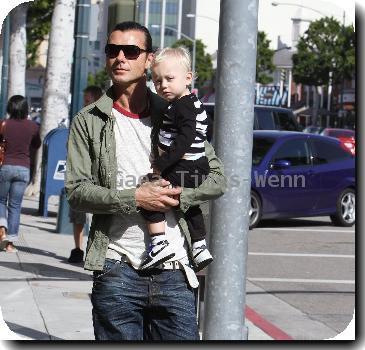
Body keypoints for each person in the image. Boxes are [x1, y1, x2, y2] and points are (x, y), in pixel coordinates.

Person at [66, 21, 226, 340]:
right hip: (116, 269)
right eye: (113, 50)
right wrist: (137, 198)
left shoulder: (176, 112)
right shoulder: (88, 121)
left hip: (175, 271)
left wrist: (175, 196)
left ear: (148, 59)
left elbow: (217, 180)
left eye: (131, 51)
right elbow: (77, 191)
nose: (120, 58)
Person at [139, 47, 214, 272]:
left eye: (170, 79)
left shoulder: (184, 106)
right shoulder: (186, 103)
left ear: (188, 78)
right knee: (188, 205)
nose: (163, 85)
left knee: (151, 196)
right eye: (157, 80)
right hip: (193, 167)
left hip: (185, 166)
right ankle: (200, 247)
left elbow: (185, 139)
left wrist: (161, 165)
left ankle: (159, 244)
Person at [0, 95, 41, 252]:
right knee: (15, 206)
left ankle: (2, 229)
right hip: (23, 168)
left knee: (1, 201)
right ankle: (10, 244)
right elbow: (36, 145)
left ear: (10, 108)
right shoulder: (32, 126)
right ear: (25, 108)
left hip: (5, 167)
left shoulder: (4, 124)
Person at [68, 85, 103, 263]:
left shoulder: (103, 120)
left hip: (97, 177)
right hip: (81, 175)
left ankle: (91, 251)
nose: (84, 104)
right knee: (78, 215)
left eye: (87, 100)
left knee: (95, 216)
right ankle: (77, 248)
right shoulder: (80, 119)